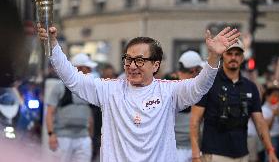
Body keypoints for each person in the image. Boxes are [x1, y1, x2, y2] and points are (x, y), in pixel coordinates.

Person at [38, 24, 240, 162]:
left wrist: (214, 57)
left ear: (156, 65)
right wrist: (54, 45)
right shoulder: (109, 90)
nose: (132, 66)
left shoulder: (169, 92)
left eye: (140, 60)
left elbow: (200, 87)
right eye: (128, 59)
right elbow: (73, 78)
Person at [190, 39, 278, 162]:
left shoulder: (250, 87)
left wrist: (270, 150)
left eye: (237, 54)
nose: (233, 57)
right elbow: (195, 120)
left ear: (242, 58)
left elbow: (260, 123)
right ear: (223, 56)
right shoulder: (209, 83)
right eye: (229, 54)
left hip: (242, 155)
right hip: (214, 155)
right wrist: (195, 155)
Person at [45, 53, 95, 162]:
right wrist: (51, 134)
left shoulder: (89, 89)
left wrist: (90, 138)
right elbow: (49, 113)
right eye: (88, 68)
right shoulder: (60, 87)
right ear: (79, 68)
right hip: (63, 137)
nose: (90, 72)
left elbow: (89, 115)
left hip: (83, 137)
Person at [175, 50, 204, 162]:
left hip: (176, 148)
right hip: (186, 149)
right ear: (194, 70)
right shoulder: (191, 89)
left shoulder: (168, 84)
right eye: (200, 70)